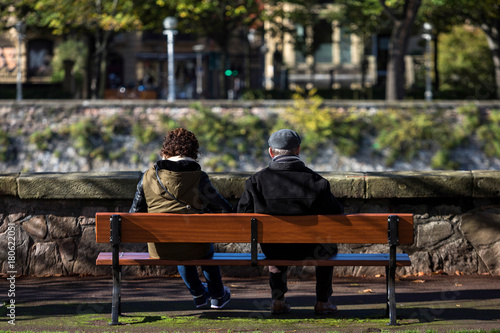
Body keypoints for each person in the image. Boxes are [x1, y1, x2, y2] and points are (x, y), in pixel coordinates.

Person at [236, 129, 344, 315]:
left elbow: (241, 216)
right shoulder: (317, 182)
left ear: (271, 152)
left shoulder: (256, 182)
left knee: (274, 246)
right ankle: (323, 301)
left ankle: (278, 301)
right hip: (310, 249)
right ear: (298, 150)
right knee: (328, 247)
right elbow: (337, 216)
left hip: (274, 248)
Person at [129, 128, 231, 309]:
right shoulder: (199, 178)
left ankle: (199, 294)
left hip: (160, 248)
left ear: (165, 151)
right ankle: (217, 295)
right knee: (201, 246)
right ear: (193, 152)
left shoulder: (147, 177)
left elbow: (134, 215)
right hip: (195, 247)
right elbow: (224, 209)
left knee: (180, 244)